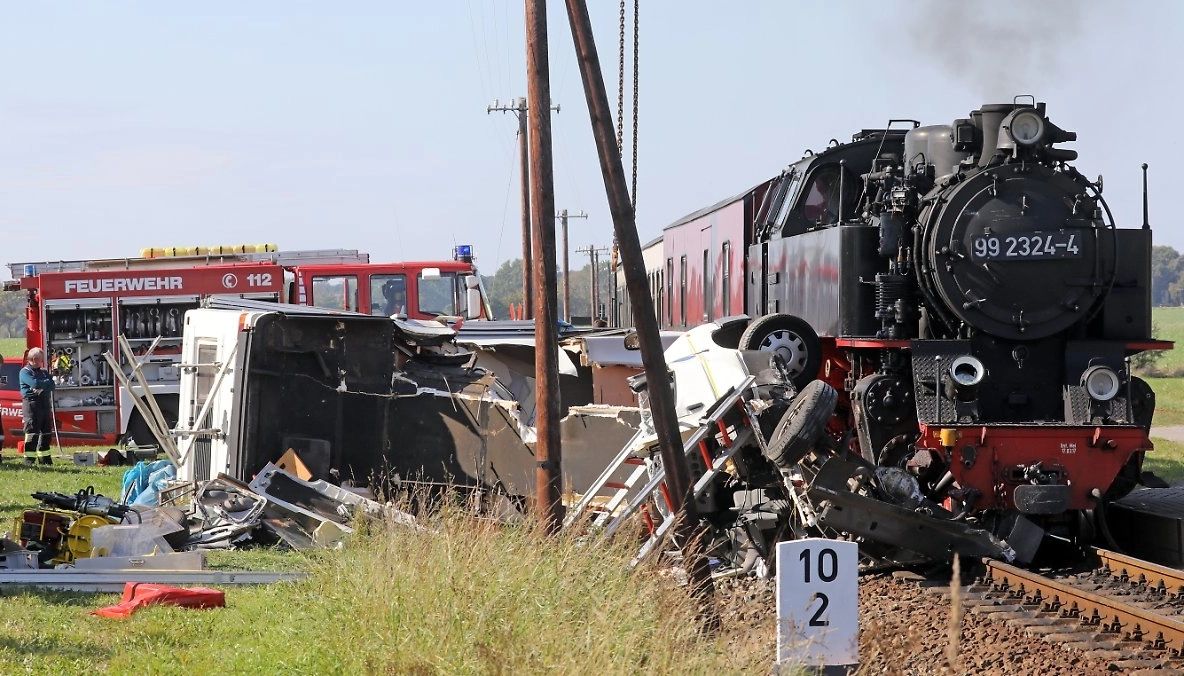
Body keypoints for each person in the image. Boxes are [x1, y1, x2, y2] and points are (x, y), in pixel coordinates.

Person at [19, 347, 55, 466]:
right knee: (32, 432)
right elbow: (34, 383)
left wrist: (41, 385)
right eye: (40, 359)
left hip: (44, 403)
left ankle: (45, 459)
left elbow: (52, 385)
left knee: (46, 433)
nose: (42, 362)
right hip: (31, 404)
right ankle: (29, 461)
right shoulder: (25, 372)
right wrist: (43, 384)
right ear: (34, 359)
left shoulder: (43, 372)